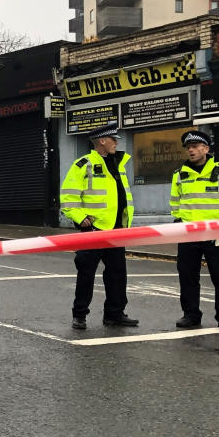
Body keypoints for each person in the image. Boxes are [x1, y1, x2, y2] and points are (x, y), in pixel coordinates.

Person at [59, 124, 138, 331]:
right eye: (114, 139)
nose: (117, 143)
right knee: (86, 274)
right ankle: (80, 315)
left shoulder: (117, 164)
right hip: (93, 230)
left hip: (116, 230)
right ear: (103, 141)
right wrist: (80, 217)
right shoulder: (83, 164)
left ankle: (115, 314)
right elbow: (68, 196)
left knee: (117, 275)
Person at [171, 129, 219, 331]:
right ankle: (191, 315)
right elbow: (175, 206)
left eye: (195, 147)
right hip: (188, 234)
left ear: (206, 148)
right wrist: (179, 225)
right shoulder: (179, 175)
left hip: (217, 234)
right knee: (187, 277)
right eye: (188, 148)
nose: (191, 151)